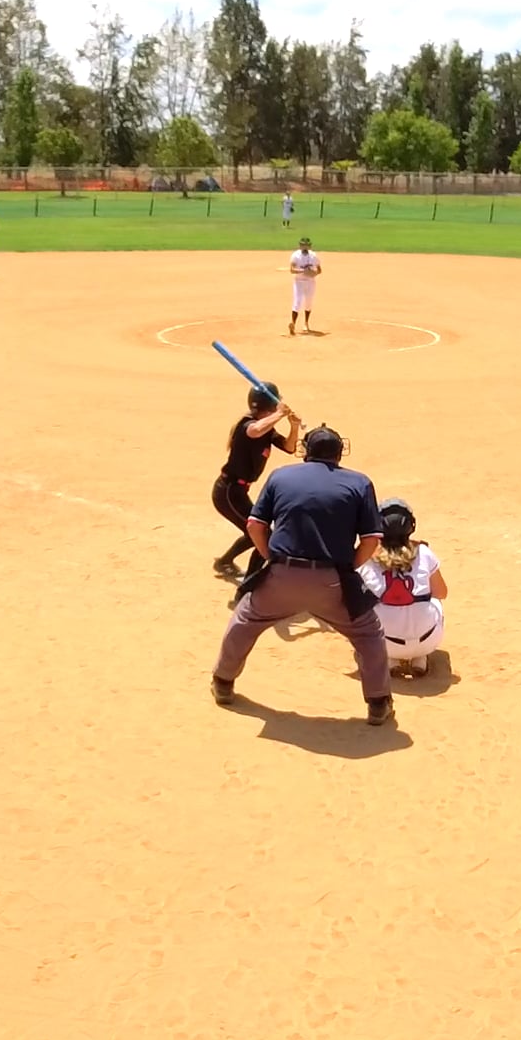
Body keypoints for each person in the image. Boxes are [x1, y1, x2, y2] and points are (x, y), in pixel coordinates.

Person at [211, 424, 395, 726]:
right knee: (368, 633)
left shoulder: (281, 476)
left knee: (245, 619)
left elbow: (255, 526)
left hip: (282, 576)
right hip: (332, 581)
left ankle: (223, 682)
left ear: (306, 452)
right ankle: (378, 703)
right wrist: (349, 567)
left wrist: (271, 557)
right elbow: (371, 540)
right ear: (339, 453)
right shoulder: (359, 482)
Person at [212, 383, 301, 579]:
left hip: (238, 492)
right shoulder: (248, 424)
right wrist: (279, 414)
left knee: (258, 531)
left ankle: (226, 562)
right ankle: (247, 577)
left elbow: (289, 447)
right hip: (228, 492)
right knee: (260, 533)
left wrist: (293, 427)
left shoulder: (266, 428)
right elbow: (254, 431)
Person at [357, 498, 449, 676]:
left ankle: (391, 660)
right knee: (434, 600)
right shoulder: (424, 553)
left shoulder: (367, 558)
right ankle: (420, 658)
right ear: (411, 526)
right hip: (428, 642)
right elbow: (442, 593)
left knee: (368, 606)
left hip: (383, 643)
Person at [288, 237, 322, 336]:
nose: (305, 247)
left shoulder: (314, 256)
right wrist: (303, 271)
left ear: (309, 246)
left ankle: (306, 323)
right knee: (297, 302)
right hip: (298, 282)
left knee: (308, 303)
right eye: (303, 245)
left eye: (307, 245)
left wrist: (313, 273)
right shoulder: (295, 255)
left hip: (310, 282)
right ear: (300, 245)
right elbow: (292, 270)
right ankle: (293, 324)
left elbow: (319, 270)